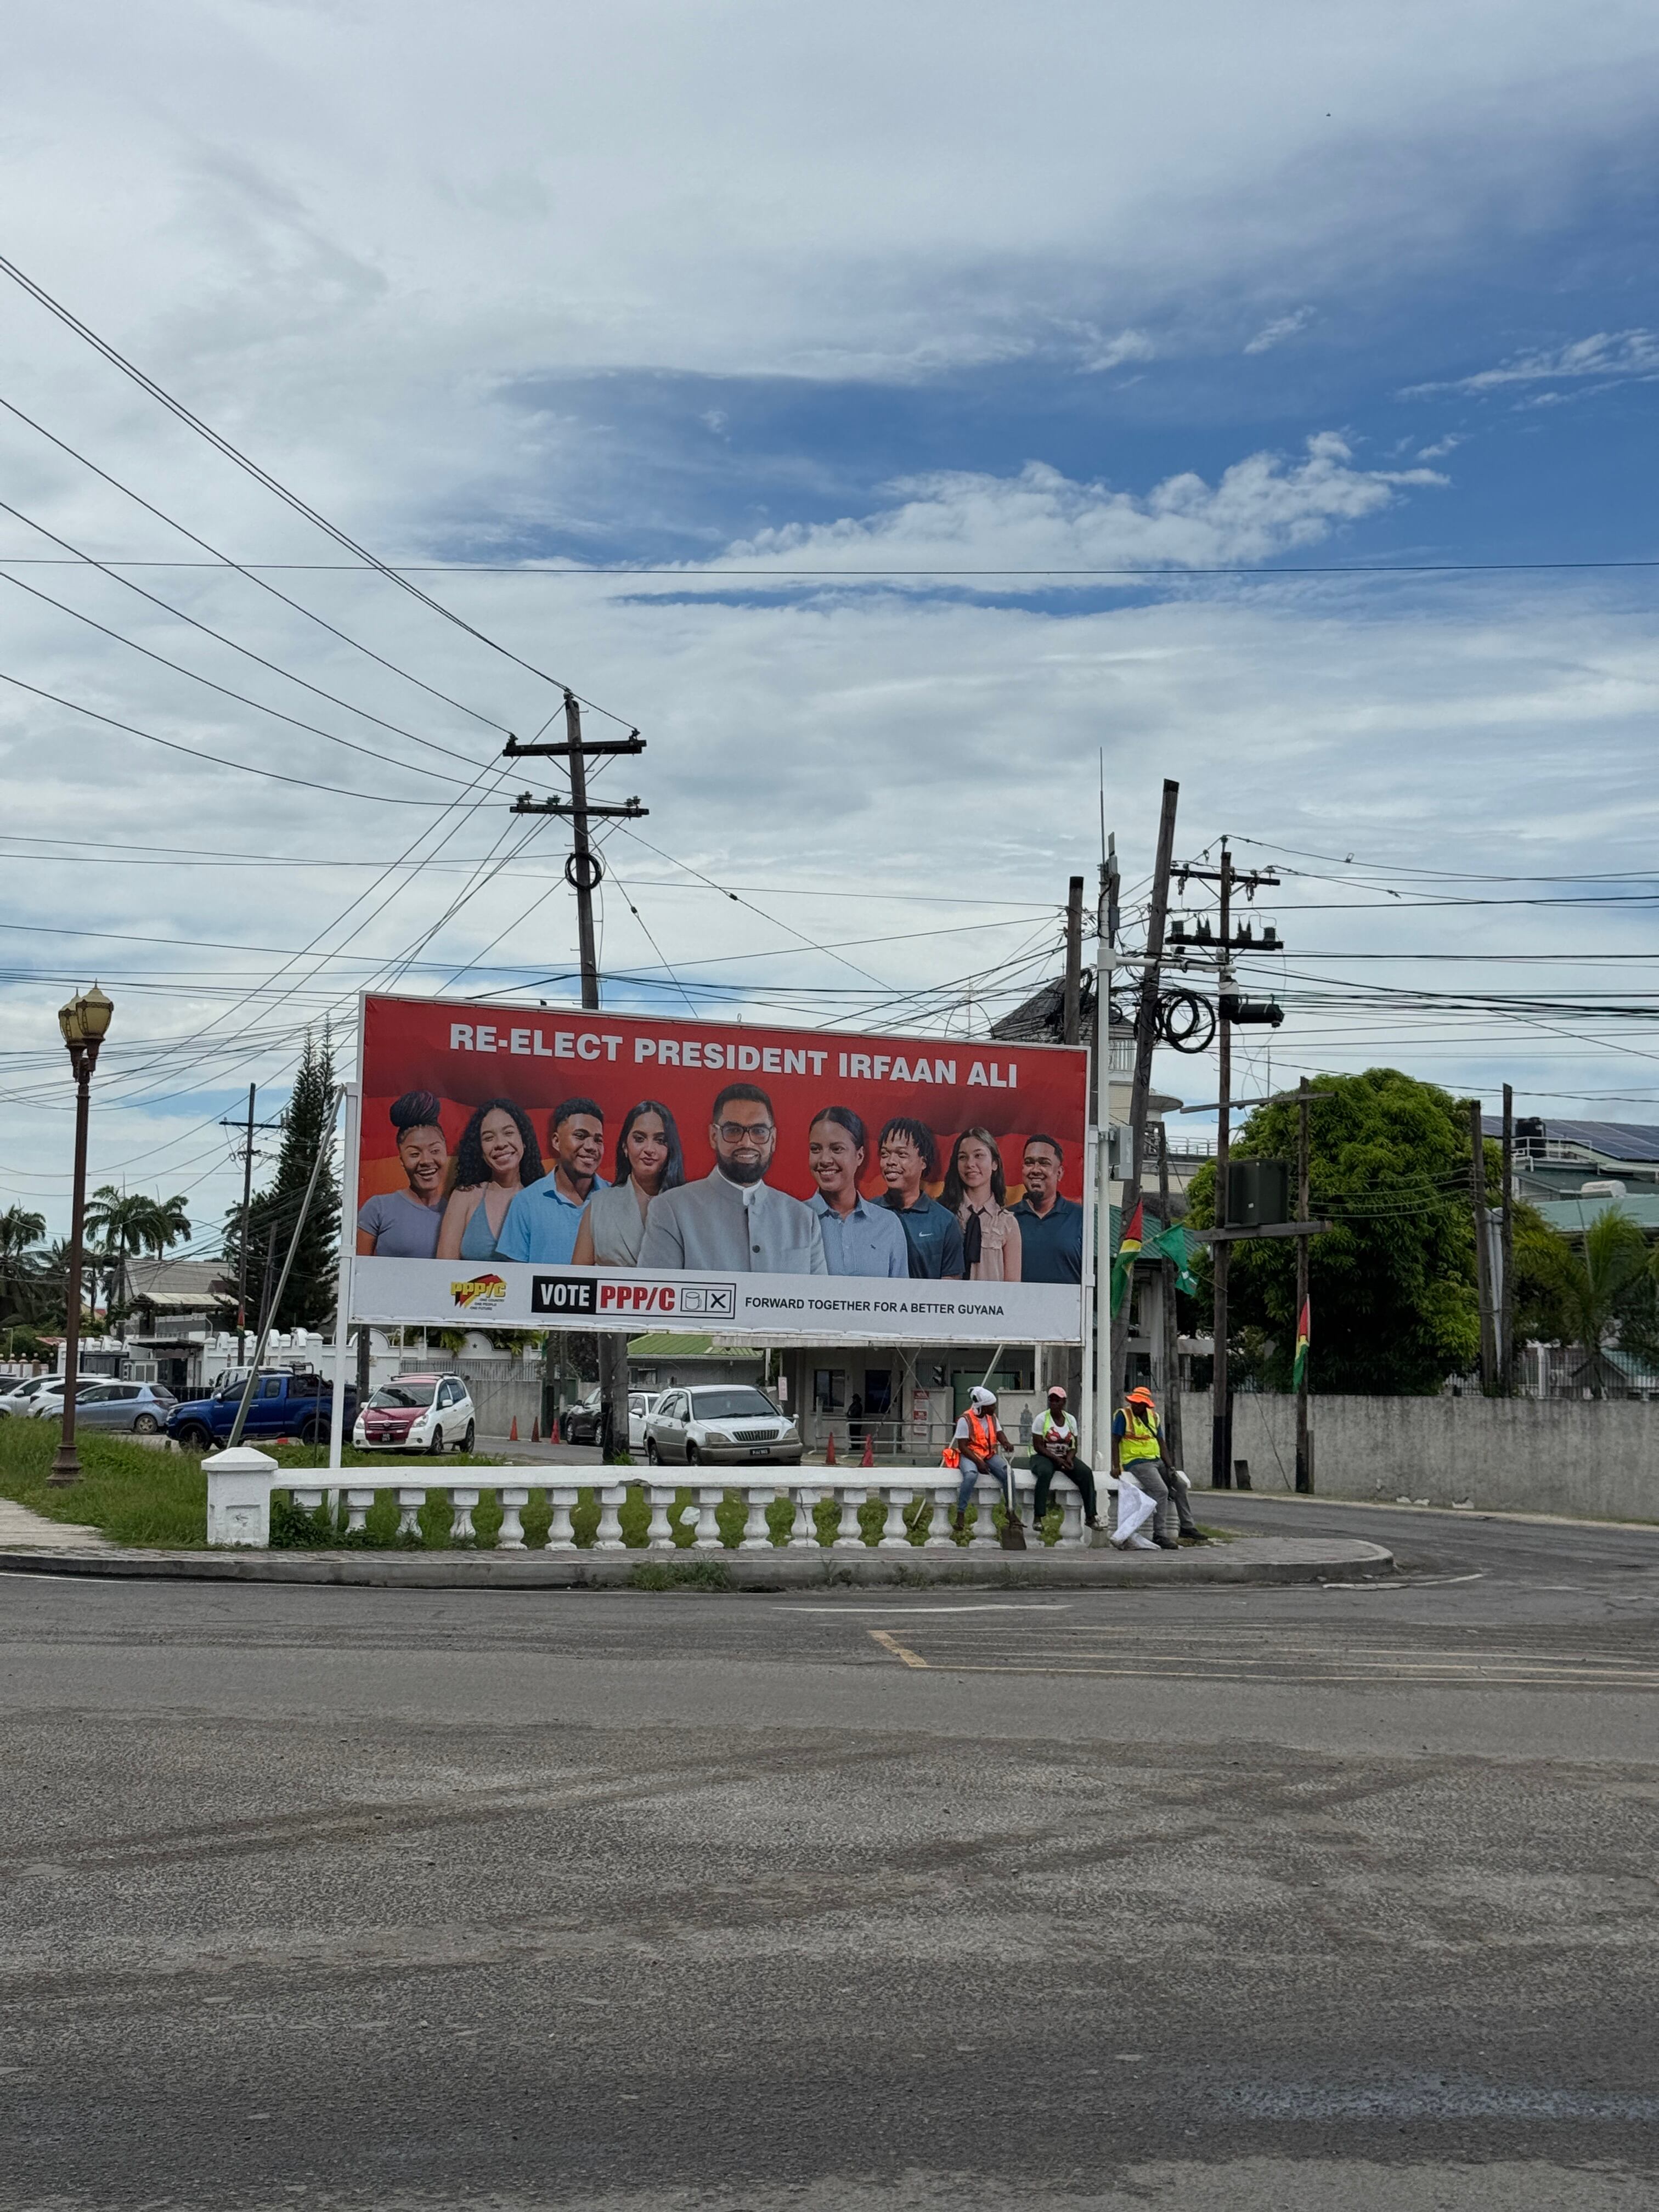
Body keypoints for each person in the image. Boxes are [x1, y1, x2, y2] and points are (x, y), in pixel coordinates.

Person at [639, 1083, 827, 1273]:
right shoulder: (671, 1210)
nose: (747, 1142)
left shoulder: (804, 1219)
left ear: (773, 1140)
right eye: (733, 1130)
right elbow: (656, 1291)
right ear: (714, 1136)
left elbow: (819, 1293)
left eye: (759, 1131)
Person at [573, 1099, 686, 1267]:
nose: (649, 1149)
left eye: (660, 1140)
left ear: (671, 1149)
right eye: (640, 1139)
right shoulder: (599, 1205)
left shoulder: (688, 1208)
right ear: (625, 1146)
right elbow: (578, 1278)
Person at [495, 1098, 607, 1265]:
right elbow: (515, 1275)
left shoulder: (615, 1200)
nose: (591, 1146)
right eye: (580, 1136)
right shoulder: (526, 1202)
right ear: (556, 1141)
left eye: (598, 1140)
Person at [806, 1105, 910, 1277]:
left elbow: (901, 1292)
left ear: (860, 1156)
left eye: (837, 1149)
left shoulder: (888, 1224)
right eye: (815, 1149)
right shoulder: (793, 1222)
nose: (824, 1160)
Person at [436, 1098, 544, 1262]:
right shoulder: (464, 1196)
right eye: (489, 1138)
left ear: (524, 1141)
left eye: (508, 1133)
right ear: (480, 1150)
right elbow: (444, 1268)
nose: (500, 1144)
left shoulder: (542, 1201)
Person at [357, 1091, 449, 1257]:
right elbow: (357, 1268)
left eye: (435, 1151)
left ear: (446, 1153)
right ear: (402, 1160)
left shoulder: (457, 1212)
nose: (426, 1161)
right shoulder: (378, 1208)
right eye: (414, 1154)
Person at [1111, 1383, 1204, 1547]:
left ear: (1146, 1405)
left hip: (1156, 1460)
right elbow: (1115, 1441)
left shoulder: (1154, 1417)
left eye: (1140, 1404)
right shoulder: (1123, 1415)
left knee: (1180, 1485)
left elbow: (1161, 1443)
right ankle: (1159, 1534)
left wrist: (1170, 1467)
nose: (1136, 1406)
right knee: (1161, 1491)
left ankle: (1187, 1527)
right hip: (1137, 1461)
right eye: (1134, 1403)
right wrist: (1116, 1466)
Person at [876, 1118, 966, 1279]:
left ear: (923, 1162)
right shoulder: (865, 1214)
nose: (891, 1162)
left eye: (901, 1154)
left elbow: (951, 1284)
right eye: (885, 1154)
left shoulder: (945, 1222)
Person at [943, 1127, 1023, 1282]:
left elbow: (1013, 1287)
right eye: (963, 1157)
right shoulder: (945, 1215)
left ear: (994, 1164)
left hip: (992, 1298)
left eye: (978, 1155)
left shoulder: (1007, 1223)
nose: (970, 1164)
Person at [1011, 1135, 1084, 1284]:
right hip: (1016, 1300)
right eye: (1029, 1163)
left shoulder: (1081, 1218)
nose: (1035, 1170)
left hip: (1068, 1300)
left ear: (1059, 1173)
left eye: (1044, 1163)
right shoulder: (1005, 1218)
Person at [1029, 1384, 1102, 1530]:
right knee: (1045, 1473)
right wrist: (1057, 1460)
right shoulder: (1042, 1419)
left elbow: (1074, 1445)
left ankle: (1091, 1516)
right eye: (1051, 1400)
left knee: (1086, 1473)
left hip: (1064, 1455)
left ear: (1064, 1402)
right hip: (1043, 1456)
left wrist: (1069, 1458)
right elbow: (1038, 1446)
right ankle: (1038, 1516)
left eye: (1057, 1400)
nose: (1054, 1403)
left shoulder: (1070, 1420)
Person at [951, 1385, 1019, 1536]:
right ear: (982, 1407)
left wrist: (1006, 1443)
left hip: (988, 1455)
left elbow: (999, 1433)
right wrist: (978, 1462)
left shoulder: (992, 1417)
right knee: (971, 1475)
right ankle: (961, 1513)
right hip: (969, 1455)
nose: (994, 1408)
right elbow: (962, 1446)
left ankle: (1011, 1511)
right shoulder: (965, 1420)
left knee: (1008, 1473)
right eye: (992, 1406)